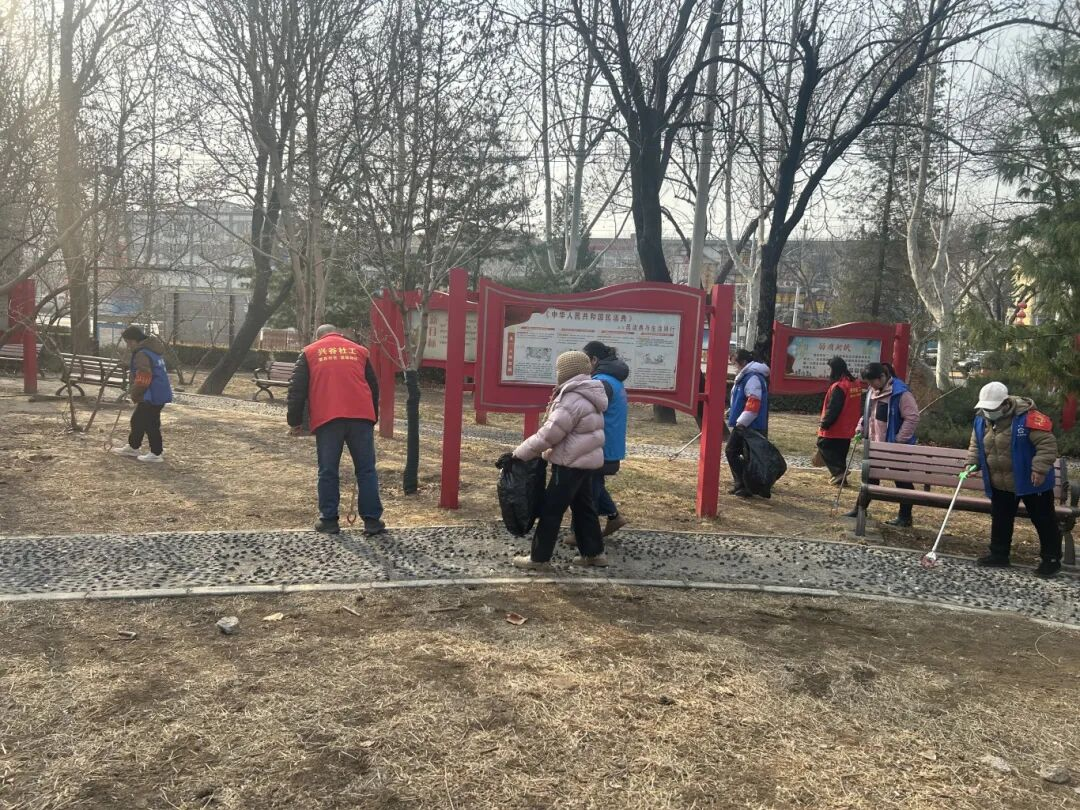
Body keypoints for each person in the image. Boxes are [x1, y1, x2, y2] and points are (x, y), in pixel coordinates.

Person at [511, 350, 608, 569]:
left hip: (569, 463)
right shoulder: (590, 392)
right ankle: (594, 554)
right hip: (584, 461)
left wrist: (520, 453)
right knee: (584, 508)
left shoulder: (572, 398)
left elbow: (550, 434)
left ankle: (539, 558)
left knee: (551, 510)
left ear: (565, 371)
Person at [287, 323, 385, 537]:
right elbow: (373, 387)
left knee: (328, 470)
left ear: (318, 336)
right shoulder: (360, 351)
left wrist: (294, 421)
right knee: (366, 470)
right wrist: (372, 417)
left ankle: (329, 520)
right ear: (340, 334)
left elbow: (296, 389)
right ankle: (372, 521)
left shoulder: (310, 352)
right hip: (361, 417)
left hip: (328, 418)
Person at [965, 381, 1063, 578]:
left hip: (1031, 480)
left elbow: (1047, 446)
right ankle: (999, 554)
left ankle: (1051, 559)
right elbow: (976, 443)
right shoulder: (981, 419)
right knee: (1000, 517)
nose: (988, 412)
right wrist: (972, 463)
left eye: (992, 408)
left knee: (1043, 519)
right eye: (985, 408)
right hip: (1000, 480)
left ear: (1005, 403)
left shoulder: (1030, 417)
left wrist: (1039, 469)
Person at [844, 361, 919, 526]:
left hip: (896, 447)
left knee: (902, 480)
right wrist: (860, 427)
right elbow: (868, 413)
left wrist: (898, 440)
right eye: (868, 383)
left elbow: (912, 418)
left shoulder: (901, 393)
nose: (870, 385)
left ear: (882, 377)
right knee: (870, 478)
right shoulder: (873, 391)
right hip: (876, 444)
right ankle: (859, 510)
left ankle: (905, 517)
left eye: (872, 381)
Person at [583, 340, 629, 537]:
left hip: (601, 444)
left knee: (588, 487)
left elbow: (586, 412)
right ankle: (613, 517)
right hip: (610, 444)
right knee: (593, 482)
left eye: (585, 361)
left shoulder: (601, 382)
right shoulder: (612, 380)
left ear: (594, 360)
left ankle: (584, 533)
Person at [111, 326, 173, 463]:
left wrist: (135, 393)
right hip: (160, 391)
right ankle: (134, 447)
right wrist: (129, 367)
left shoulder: (142, 353)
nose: (128, 345)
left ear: (135, 340)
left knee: (148, 423)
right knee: (141, 420)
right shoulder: (152, 351)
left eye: (128, 342)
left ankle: (155, 453)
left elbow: (144, 375)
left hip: (151, 394)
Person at [725, 349, 770, 498]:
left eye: (735, 363)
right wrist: (732, 410)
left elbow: (753, 403)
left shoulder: (753, 378)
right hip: (745, 423)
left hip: (749, 424)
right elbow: (741, 399)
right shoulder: (746, 376)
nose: (734, 366)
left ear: (743, 362)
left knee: (733, 452)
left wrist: (741, 422)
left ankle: (745, 485)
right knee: (738, 453)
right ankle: (742, 484)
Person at [816, 356, 864, 485]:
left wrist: (825, 423)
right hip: (849, 426)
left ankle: (838, 472)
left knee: (823, 445)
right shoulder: (855, 383)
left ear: (835, 370)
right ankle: (841, 480)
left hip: (836, 426)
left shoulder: (840, 386)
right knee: (840, 453)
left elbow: (834, 407)